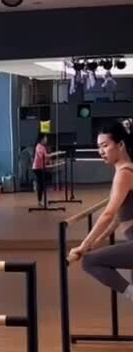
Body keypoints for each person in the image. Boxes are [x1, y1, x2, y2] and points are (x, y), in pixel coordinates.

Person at [68, 120, 133, 300]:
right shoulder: (124, 170)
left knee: (89, 262)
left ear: (120, 145)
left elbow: (108, 214)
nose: (101, 151)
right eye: (99, 147)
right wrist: (95, 242)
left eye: (105, 145)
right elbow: (118, 219)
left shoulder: (124, 173)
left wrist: (84, 245)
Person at [32, 133, 49, 207]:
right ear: (42, 139)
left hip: (41, 167)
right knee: (41, 185)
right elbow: (40, 155)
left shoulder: (43, 147)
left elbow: (46, 157)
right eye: (45, 138)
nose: (46, 140)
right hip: (37, 168)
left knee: (42, 184)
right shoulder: (38, 146)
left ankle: (40, 200)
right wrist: (45, 156)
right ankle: (39, 201)